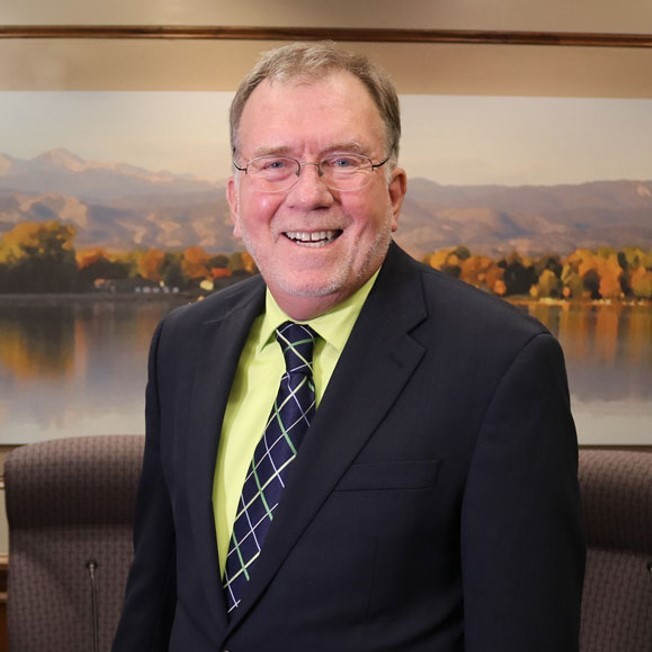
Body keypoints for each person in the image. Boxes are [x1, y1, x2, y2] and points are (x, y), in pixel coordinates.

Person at [112, 41, 585, 652]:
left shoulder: (503, 366)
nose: (309, 195)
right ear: (235, 200)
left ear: (394, 194)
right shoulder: (182, 346)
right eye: (275, 163)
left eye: (343, 161)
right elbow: (154, 591)